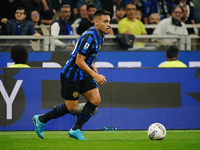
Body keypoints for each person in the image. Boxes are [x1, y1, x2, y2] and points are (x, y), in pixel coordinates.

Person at [32, 9, 110, 140]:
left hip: (83, 74)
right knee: (71, 107)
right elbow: (79, 61)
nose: (109, 24)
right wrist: (94, 75)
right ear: (96, 22)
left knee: (95, 99)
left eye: (109, 21)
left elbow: (85, 55)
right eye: (105, 21)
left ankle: (75, 129)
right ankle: (41, 119)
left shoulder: (101, 35)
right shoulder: (89, 37)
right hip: (71, 75)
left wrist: (91, 64)